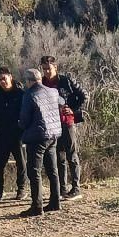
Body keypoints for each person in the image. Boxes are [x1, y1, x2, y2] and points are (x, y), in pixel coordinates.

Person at [39, 54, 88, 202]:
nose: (47, 71)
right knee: (58, 157)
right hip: (51, 125)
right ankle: (61, 189)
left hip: (67, 122)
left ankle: (76, 188)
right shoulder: (41, 83)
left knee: (71, 155)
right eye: (44, 69)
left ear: (56, 67)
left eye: (49, 68)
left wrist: (73, 109)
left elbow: (83, 95)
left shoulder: (66, 81)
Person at [18, 66, 62, 216]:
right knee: (52, 170)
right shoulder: (52, 91)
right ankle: (56, 202)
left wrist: (21, 127)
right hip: (53, 135)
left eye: (26, 81)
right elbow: (61, 103)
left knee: (34, 171)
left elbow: (24, 120)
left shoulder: (29, 95)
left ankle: (37, 206)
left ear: (29, 81)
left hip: (37, 137)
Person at [0, 67, 27, 203]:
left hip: (18, 134)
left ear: (10, 76)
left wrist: (21, 125)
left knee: (21, 163)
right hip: (1, 135)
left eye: (4, 78)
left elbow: (26, 111)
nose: (2, 82)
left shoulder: (21, 93)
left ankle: (21, 189)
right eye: (0, 79)